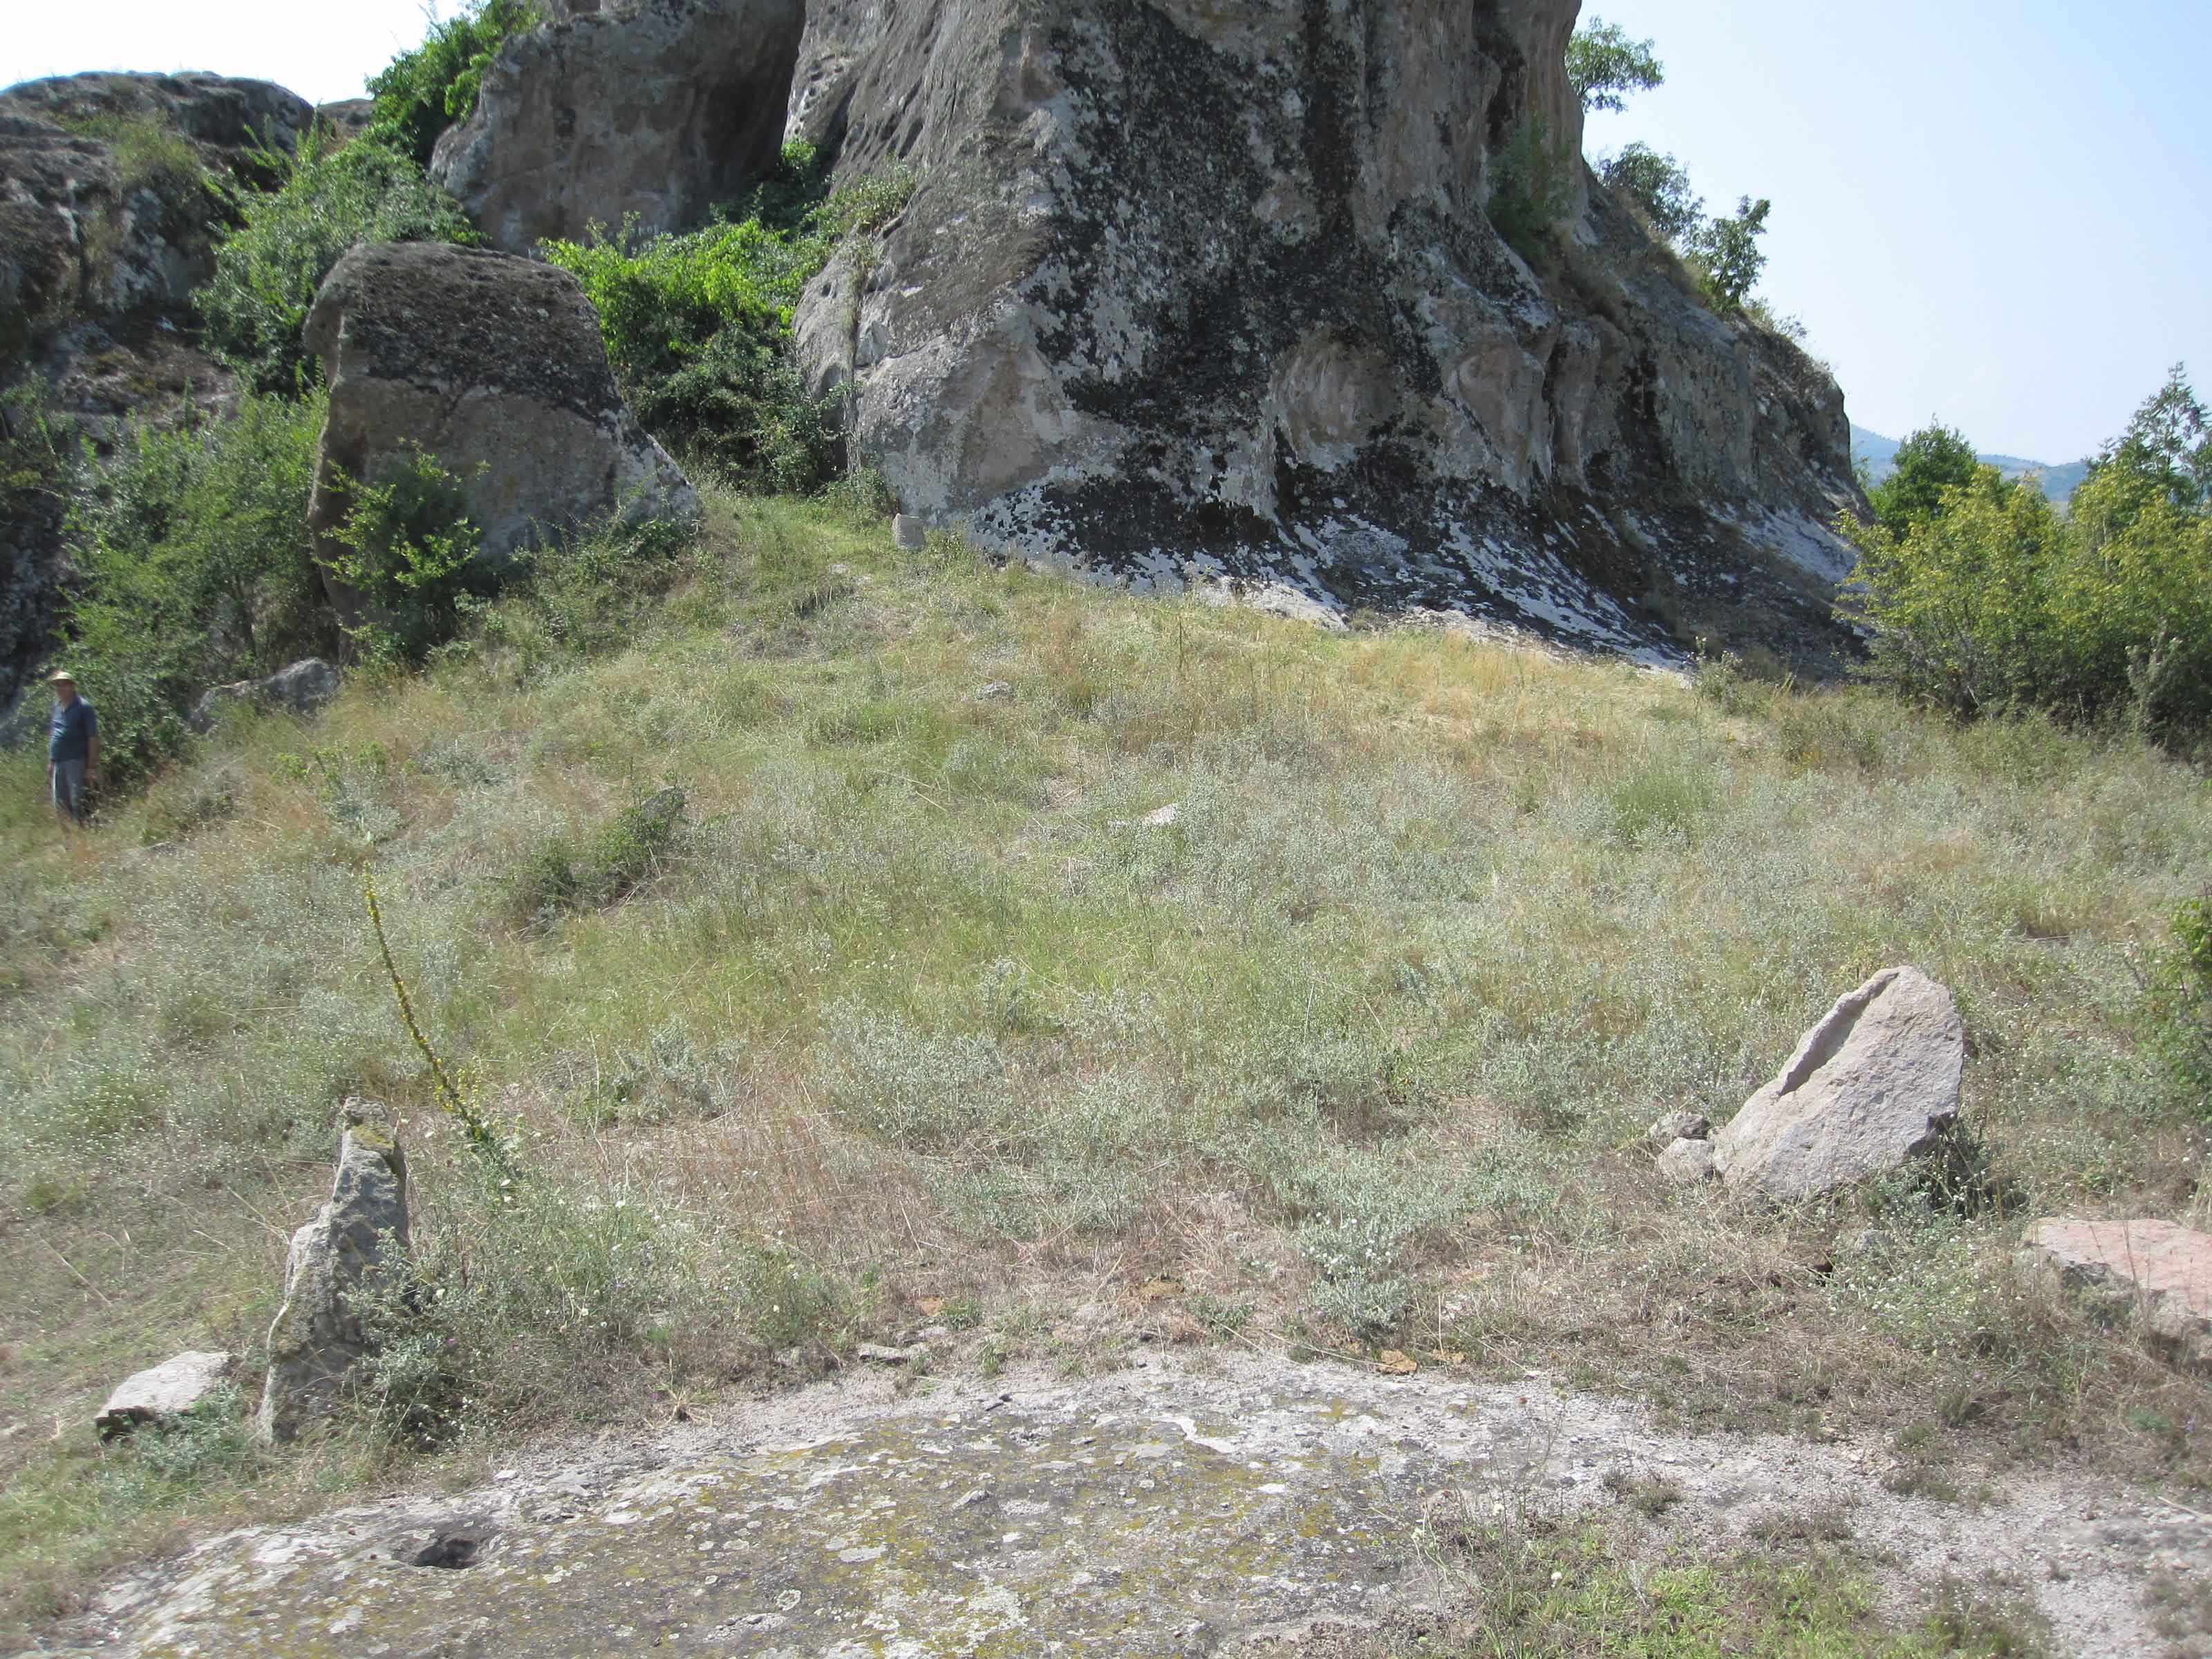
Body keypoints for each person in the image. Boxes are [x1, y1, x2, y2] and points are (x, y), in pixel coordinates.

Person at [46, 669, 99, 825]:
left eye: (63, 685)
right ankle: (68, 842)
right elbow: (53, 733)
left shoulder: (84, 707)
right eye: (57, 686)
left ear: (72, 686)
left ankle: (83, 836)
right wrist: (50, 761)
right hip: (58, 763)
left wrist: (91, 767)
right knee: (60, 804)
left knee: (78, 801)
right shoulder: (56, 707)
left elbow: (93, 738)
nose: (60, 689)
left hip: (76, 760)